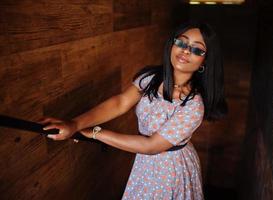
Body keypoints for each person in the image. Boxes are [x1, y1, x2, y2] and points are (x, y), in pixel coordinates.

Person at [40, 20, 228, 199]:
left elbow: (151, 146)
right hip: (145, 161)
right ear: (172, 44)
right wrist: (75, 124)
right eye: (182, 42)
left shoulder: (193, 106)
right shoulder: (151, 78)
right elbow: (120, 102)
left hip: (171, 169)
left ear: (204, 62)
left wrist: (95, 132)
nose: (185, 51)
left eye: (196, 50)